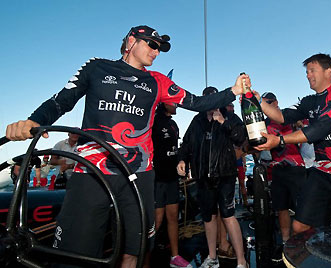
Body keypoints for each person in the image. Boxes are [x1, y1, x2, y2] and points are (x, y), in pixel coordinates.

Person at [5, 25, 250, 268]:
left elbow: (197, 102)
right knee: (74, 254)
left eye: (160, 49)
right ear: (131, 41)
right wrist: (34, 121)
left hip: (139, 177)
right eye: (152, 45)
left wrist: (233, 91)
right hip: (92, 174)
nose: (156, 52)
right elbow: (63, 100)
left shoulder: (158, 81)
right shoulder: (96, 67)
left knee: (135, 250)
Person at [256, 53, 331, 234]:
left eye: (312, 70)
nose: (308, 75)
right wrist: (257, 101)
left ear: (328, 71)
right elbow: (282, 116)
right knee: (299, 226)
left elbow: (322, 127)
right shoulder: (308, 101)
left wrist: (280, 140)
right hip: (321, 173)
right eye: (306, 72)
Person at [177, 86, 248, 268]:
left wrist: (223, 122)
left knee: (228, 215)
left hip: (225, 175)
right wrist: (182, 159)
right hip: (203, 177)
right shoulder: (197, 120)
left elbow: (241, 138)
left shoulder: (230, 117)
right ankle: (212, 257)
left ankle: (241, 261)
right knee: (208, 217)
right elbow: (186, 143)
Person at [261, 91, 306, 259]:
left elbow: (306, 129)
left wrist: (300, 125)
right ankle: (286, 243)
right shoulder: (263, 123)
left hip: (296, 168)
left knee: (301, 208)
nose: (268, 105)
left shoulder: (288, 117)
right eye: (264, 103)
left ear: (276, 102)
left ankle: (303, 241)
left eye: (270, 102)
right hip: (277, 170)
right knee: (281, 208)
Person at [150, 102, 191, 268]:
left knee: (173, 217)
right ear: (163, 104)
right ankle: (144, 260)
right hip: (157, 178)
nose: (176, 105)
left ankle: (175, 257)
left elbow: (176, 148)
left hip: (172, 178)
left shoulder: (173, 124)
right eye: (173, 102)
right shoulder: (153, 122)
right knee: (156, 221)